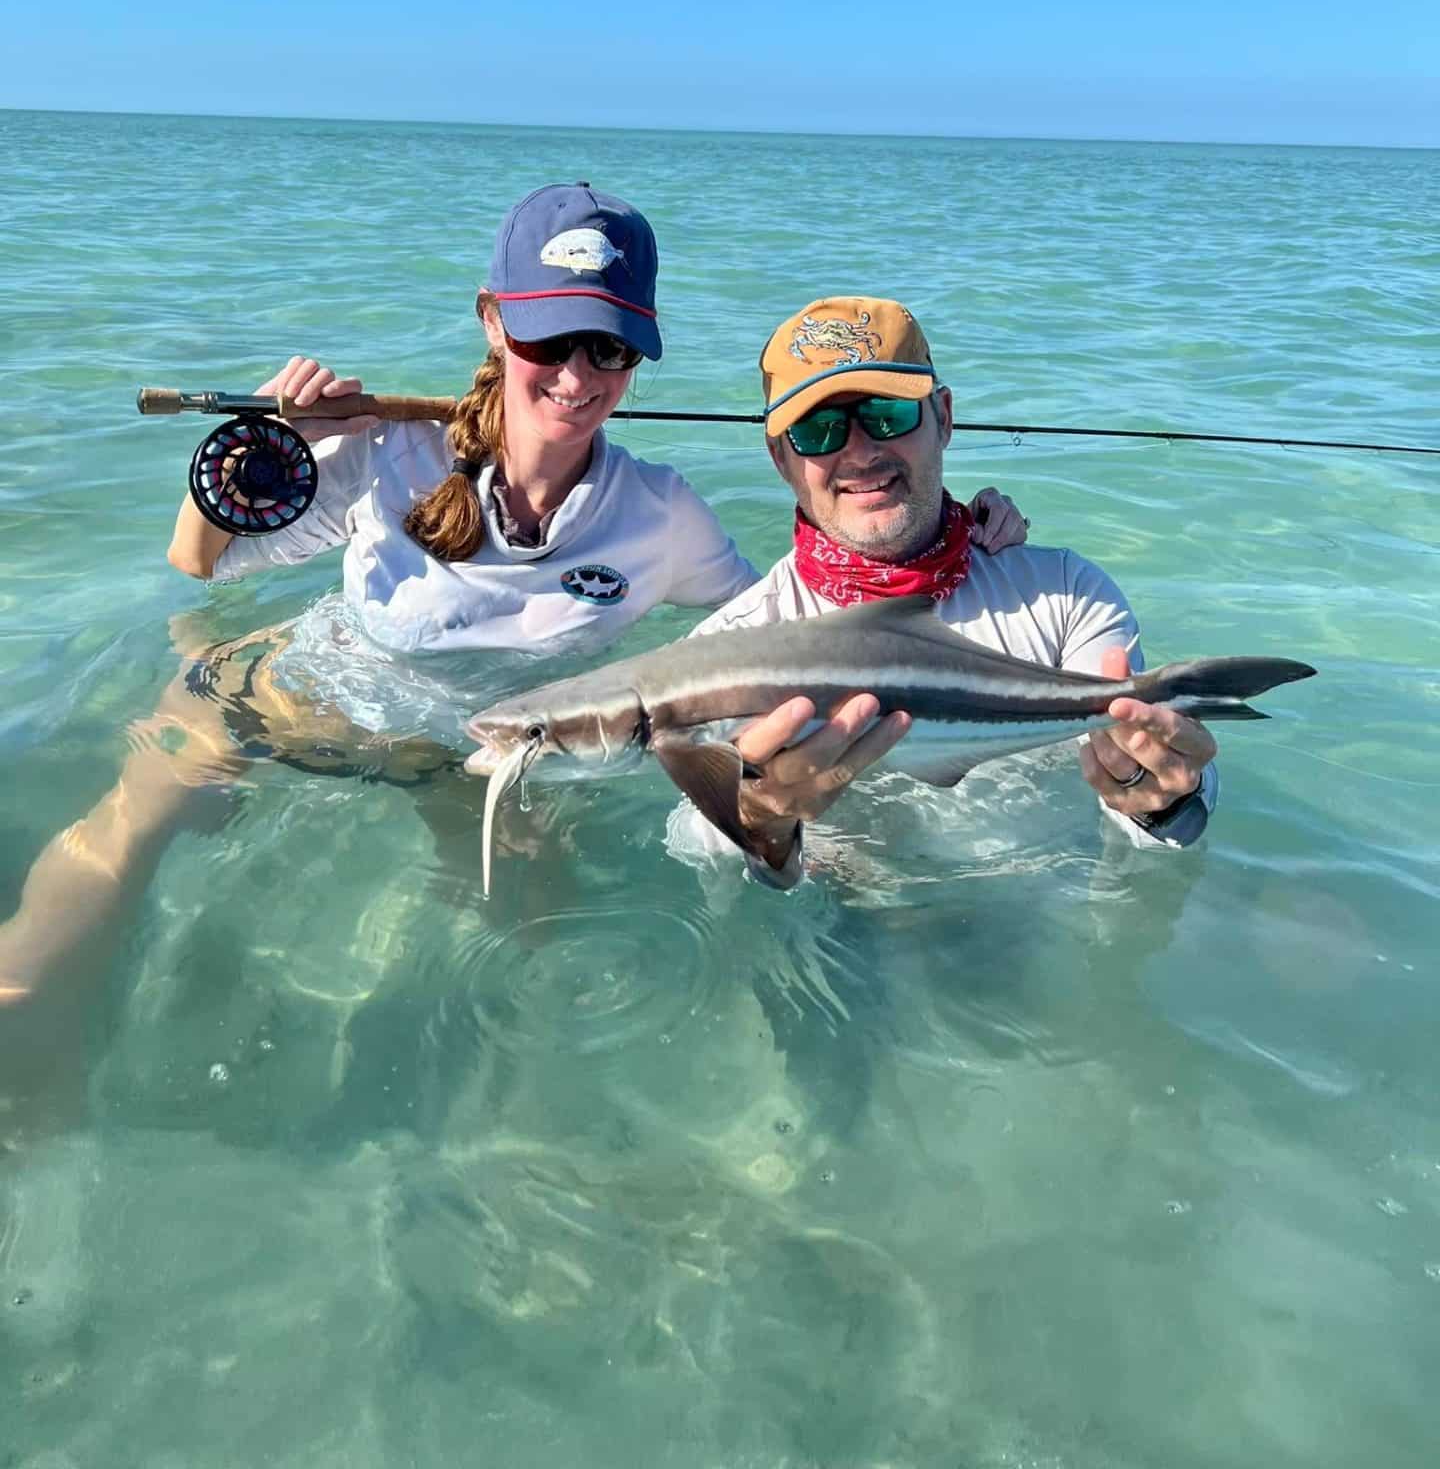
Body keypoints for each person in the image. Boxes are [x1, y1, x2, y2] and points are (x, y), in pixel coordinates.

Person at [1, 197, 1026, 1109]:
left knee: (532, 946)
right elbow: (199, 563)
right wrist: (266, 441)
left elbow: (788, 615)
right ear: (495, 322)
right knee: (128, 832)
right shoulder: (385, 454)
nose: (578, 377)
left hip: (476, 755)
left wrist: (954, 539)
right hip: (292, 697)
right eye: (550, 340)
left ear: (640, 357)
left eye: (610, 350)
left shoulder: (660, 514)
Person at [690, 294, 1219, 875]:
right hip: (843, 936)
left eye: (888, 415)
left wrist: (1166, 800)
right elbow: (692, 853)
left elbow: (1147, 824)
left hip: (1048, 910)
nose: (861, 452)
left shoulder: (1067, 595)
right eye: (818, 431)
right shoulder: (725, 647)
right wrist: (756, 818)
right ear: (778, 457)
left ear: (943, 417)